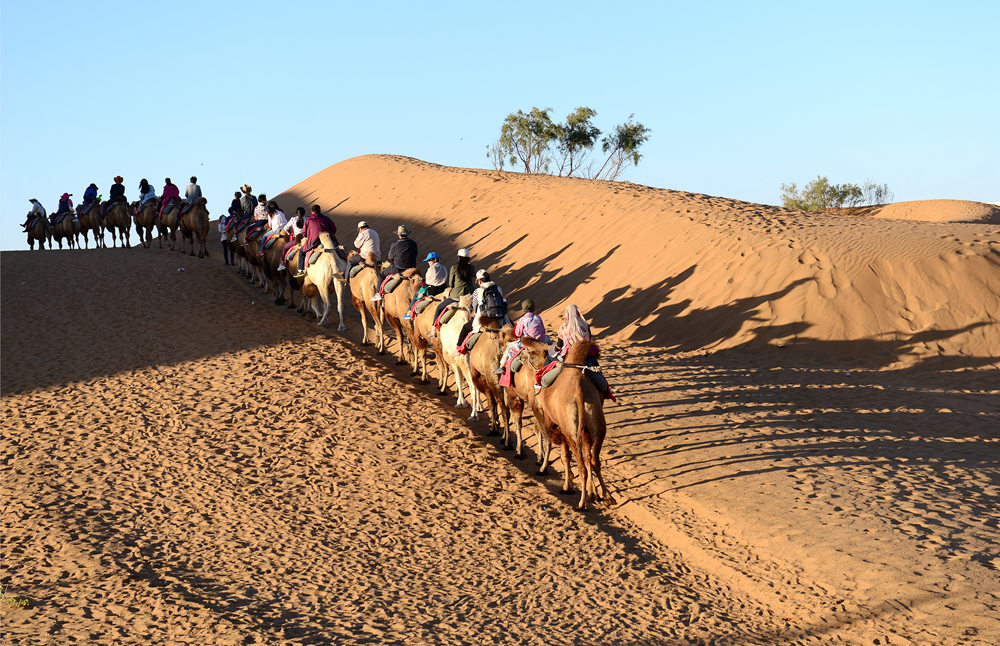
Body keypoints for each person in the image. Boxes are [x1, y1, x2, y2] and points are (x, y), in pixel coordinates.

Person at [454, 270, 507, 354]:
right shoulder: (498, 288)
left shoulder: (477, 291)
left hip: (483, 319)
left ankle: (459, 348)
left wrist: (475, 313)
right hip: (500, 318)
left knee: (465, 328)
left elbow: (475, 306)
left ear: (479, 281)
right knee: (511, 326)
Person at [495, 299, 548, 375]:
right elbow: (543, 330)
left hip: (529, 343)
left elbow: (517, 333)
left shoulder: (523, 320)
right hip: (542, 341)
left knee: (508, 347)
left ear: (523, 310)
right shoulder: (538, 317)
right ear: (534, 308)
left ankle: (501, 366)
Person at [295, 204, 339, 277]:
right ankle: (346, 262)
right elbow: (334, 229)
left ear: (312, 211)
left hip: (314, 241)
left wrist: (307, 236)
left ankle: (300, 270)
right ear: (320, 211)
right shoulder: (326, 218)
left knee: (302, 251)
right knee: (338, 249)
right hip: (327, 239)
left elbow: (304, 232)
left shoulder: (308, 220)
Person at [402, 252, 447, 319]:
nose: (428, 262)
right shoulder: (443, 267)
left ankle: (409, 312)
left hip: (433, 292)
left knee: (416, 294)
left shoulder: (431, 269)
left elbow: (428, 282)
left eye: (429, 260)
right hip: (443, 289)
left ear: (435, 259)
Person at [278, 207, 307, 272]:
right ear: (304, 213)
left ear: (296, 213)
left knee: (285, 247)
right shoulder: (307, 219)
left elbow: (286, 228)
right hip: (306, 240)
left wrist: (290, 233)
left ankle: (282, 264)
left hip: (297, 240)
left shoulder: (293, 219)